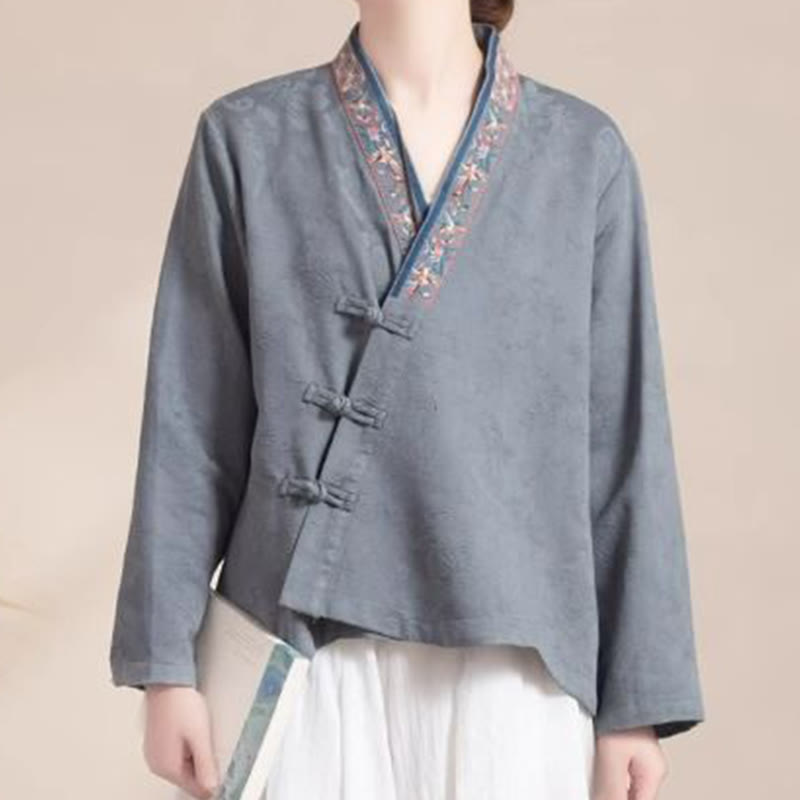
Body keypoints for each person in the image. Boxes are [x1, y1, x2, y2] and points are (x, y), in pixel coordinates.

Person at [109, 1, 706, 798]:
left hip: (514, 663)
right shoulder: (247, 137)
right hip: (302, 647)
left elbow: (625, 439)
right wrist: (166, 665)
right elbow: (189, 423)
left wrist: (634, 705)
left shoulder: (582, 153)